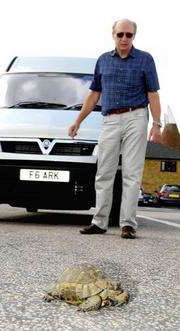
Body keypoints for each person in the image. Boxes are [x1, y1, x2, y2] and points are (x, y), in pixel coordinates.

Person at [68, 19, 162, 239]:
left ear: (133, 37)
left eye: (129, 35)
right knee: (104, 172)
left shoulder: (145, 60)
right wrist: (78, 121)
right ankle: (99, 222)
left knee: (132, 173)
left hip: (136, 117)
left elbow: (153, 94)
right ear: (113, 35)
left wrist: (156, 124)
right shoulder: (103, 61)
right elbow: (94, 95)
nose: (124, 39)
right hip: (109, 119)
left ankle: (128, 224)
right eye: (120, 34)